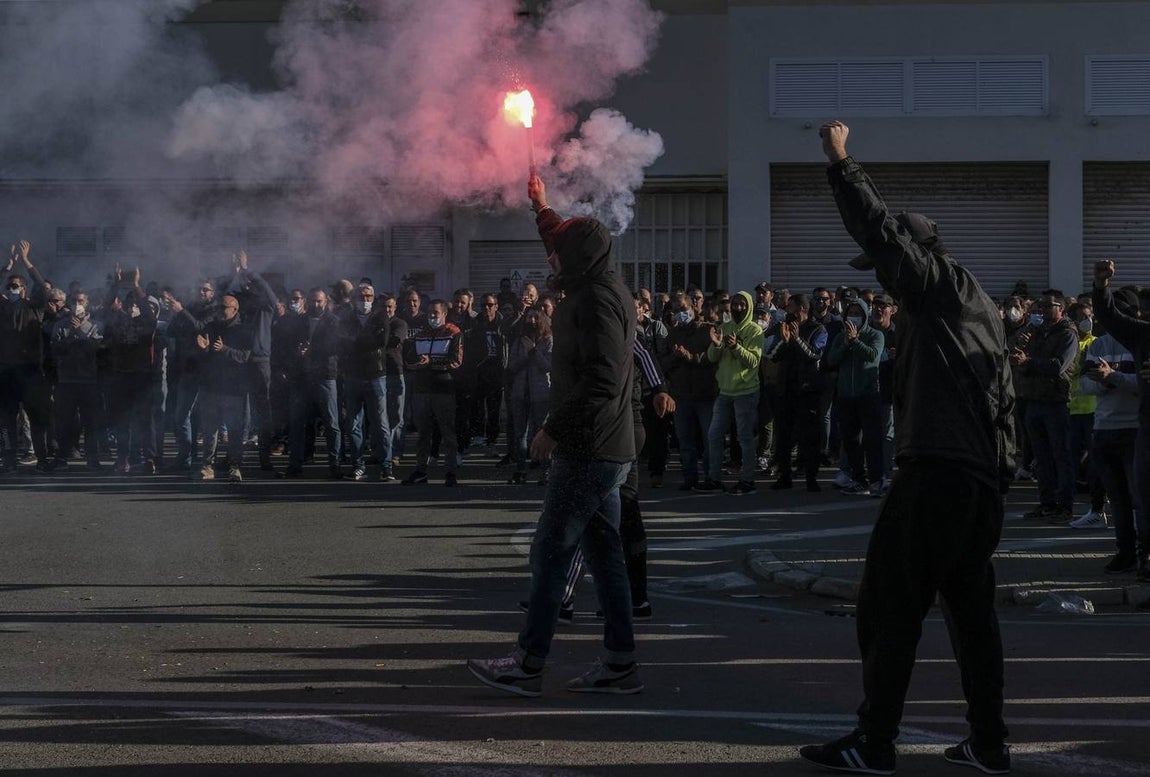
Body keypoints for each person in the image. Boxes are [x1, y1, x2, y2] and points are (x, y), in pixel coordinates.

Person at [799, 121, 1015, 775]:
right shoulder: (971, 308)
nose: (881, 287)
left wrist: (841, 163)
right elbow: (1003, 404)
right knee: (971, 615)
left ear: (916, 255)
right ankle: (988, 742)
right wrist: (999, 478)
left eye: (886, 273)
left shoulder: (943, 288)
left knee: (888, 603)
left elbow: (882, 234)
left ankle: (875, 741)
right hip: (975, 483)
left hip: (939, 476)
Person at [468, 174, 640, 697]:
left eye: (559, 252)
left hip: (589, 447)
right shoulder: (597, 283)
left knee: (550, 550)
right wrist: (542, 208)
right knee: (605, 555)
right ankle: (620, 664)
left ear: (578, 258)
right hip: (606, 446)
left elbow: (602, 380)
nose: (551, 259)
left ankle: (527, 663)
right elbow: (565, 241)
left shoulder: (596, 302)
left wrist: (551, 428)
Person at [1077, 286, 1145, 574]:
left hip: (1134, 429)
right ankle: (1125, 552)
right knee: (1117, 498)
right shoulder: (1098, 345)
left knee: (1139, 498)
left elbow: (1142, 385)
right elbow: (1084, 385)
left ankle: (1144, 555)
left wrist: (1113, 376)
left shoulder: (1139, 342)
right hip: (1104, 428)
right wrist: (1103, 382)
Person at [1091, 261, 1150, 598]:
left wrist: (1115, 377)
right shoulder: (1141, 335)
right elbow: (1110, 316)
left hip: (1133, 429)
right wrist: (1101, 286)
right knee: (1140, 500)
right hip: (1142, 430)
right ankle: (1142, 560)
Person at [1011, 290, 1078, 524]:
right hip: (1034, 399)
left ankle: (1065, 506)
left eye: (1048, 306)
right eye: (1040, 306)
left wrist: (1029, 362)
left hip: (1056, 402)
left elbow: (1058, 366)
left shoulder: (1067, 334)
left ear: (1061, 308)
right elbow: (1024, 360)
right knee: (1041, 457)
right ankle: (1047, 503)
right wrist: (1022, 356)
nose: (1042, 311)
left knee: (1061, 455)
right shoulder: (1036, 333)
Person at [696, 290, 762, 494]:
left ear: (749, 307)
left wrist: (736, 348)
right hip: (725, 391)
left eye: (742, 304)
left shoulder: (755, 331)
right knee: (714, 435)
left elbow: (753, 361)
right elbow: (711, 357)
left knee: (744, 438)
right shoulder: (724, 327)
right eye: (735, 304)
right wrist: (717, 345)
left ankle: (747, 481)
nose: (738, 307)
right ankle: (714, 479)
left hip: (746, 391)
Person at [824, 297, 885, 495]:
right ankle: (859, 479)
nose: (854, 317)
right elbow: (831, 360)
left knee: (872, 440)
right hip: (845, 396)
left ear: (865, 316)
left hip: (868, 395)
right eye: (851, 313)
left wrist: (855, 341)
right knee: (851, 441)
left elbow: (872, 355)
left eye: (858, 314)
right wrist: (846, 343)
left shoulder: (875, 335)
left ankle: (876, 480)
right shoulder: (840, 337)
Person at [0, 241, 51, 474]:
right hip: (6, 371)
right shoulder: (2, 308)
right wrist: (8, 265)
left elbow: (43, 288)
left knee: (36, 418)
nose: (12, 289)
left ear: (23, 289)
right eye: (9, 286)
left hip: (30, 371)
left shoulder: (34, 308)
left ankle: (42, 459)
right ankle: (9, 460)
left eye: (16, 286)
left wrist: (27, 261)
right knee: (8, 419)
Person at [768, 294, 828, 492]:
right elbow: (773, 355)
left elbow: (815, 354)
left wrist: (797, 339)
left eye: (791, 307)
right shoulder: (785, 327)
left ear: (802, 308)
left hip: (807, 391)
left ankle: (811, 477)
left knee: (809, 437)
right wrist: (786, 341)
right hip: (786, 390)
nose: (788, 311)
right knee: (783, 436)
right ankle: (784, 475)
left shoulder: (818, 329)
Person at [402, 299, 463, 486]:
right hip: (422, 389)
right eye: (429, 313)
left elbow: (455, 361)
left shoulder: (453, 333)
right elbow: (410, 358)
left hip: (443, 389)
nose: (432, 316)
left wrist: (431, 363)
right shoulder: (421, 334)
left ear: (444, 314)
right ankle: (421, 470)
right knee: (423, 433)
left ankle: (451, 472)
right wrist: (415, 363)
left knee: (447, 431)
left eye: (435, 313)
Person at [192, 294, 251, 481]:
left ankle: (235, 466)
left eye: (224, 307)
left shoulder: (243, 330)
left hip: (234, 388)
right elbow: (204, 356)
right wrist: (203, 349)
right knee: (210, 429)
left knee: (234, 430)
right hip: (212, 386)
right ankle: (207, 466)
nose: (220, 311)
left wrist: (225, 349)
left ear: (235, 309)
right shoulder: (211, 327)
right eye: (219, 307)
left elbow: (245, 356)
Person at [338, 283, 393, 481]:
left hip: (375, 375)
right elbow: (342, 342)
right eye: (362, 297)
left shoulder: (380, 317)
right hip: (353, 376)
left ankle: (386, 466)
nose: (365, 300)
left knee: (381, 423)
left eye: (369, 296)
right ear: (354, 299)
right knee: (354, 424)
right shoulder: (347, 318)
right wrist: (360, 341)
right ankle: (358, 466)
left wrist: (356, 341)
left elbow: (382, 341)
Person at [665, 292, 718, 490]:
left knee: (709, 439)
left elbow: (713, 358)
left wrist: (689, 356)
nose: (680, 313)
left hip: (705, 395)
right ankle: (690, 477)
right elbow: (663, 364)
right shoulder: (673, 334)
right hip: (681, 396)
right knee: (685, 441)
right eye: (676, 310)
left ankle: (711, 477)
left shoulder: (708, 330)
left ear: (693, 307)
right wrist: (675, 357)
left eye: (683, 309)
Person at [50, 290, 103, 470]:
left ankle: (93, 459)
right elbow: (56, 350)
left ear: (87, 303)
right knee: (65, 421)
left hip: (88, 380)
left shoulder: (96, 325)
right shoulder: (60, 325)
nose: (77, 304)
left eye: (80, 301)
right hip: (66, 380)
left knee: (90, 422)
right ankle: (61, 457)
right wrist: (70, 333)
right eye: (74, 301)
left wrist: (79, 331)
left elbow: (95, 350)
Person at [505, 307, 552, 484]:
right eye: (528, 317)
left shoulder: (548, 340)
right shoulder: (520, 340)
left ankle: (545, 470)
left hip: (540, 393)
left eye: (534, 317)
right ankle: (520, 470)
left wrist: (533, 351)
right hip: (520, 392)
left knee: (542, 432)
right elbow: (511, 365)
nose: (531, 321)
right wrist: (525, 356)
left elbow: (547, 366)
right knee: (520, 433)